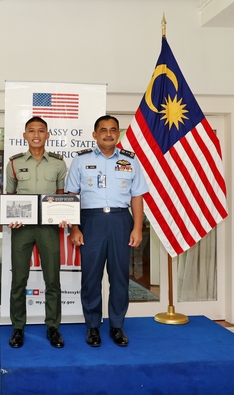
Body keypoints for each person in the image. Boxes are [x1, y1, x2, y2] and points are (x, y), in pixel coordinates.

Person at [65, 115, 148, 348]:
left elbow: (137, 196)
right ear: (95, 134)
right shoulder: (81, 160)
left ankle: (117, 326)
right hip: (91, 220)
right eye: (103, 130)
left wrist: (138, 227)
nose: (108, 134)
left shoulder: (130, 160)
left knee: (120, 277)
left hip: (121, 220)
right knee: (91, 277)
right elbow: (72, 196)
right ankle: (92, 326)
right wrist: (74, 227)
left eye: (113, 130)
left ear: (118, 134)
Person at [5, 117, 68, 349]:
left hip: (49, 228)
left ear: (47, 134)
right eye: (31, 130)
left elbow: (61, 196)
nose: (36, 134)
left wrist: (64, 213)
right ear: (24, 135)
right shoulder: (14, 163)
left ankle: (53, 327)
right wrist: (11, 219)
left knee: (52, 279)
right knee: (19, 279)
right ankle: (18, 328)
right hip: (22, 229)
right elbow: (9, 198)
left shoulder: (58, 164)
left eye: (41, 130)